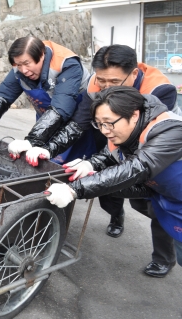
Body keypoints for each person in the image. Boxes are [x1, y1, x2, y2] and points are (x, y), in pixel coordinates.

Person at [27, 45, 178, 276]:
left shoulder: (164, 114)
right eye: (101, 80)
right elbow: (88, 130)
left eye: (114, 82)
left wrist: (74, 190)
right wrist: (50, 150)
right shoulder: (113, 118)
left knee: (160, 214)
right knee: (150, 206)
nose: (105, 87)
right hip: (153, 179)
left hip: (161, 167)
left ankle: (164, 257)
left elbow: (138, 165)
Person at [46, 86, 182, 274]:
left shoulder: (171, 131)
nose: (105, 131)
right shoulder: (124, 133)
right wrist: (90, 165)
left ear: (134, 115)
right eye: (99, 124)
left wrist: (75, 189)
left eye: (109, 123)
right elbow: (110, 158)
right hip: (166, 197)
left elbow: (137, 168)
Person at [0, 36, 93, 163]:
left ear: (42, 56)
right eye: (19, 65)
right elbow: (4, 94)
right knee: (43, 159)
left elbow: (61, 107)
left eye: (27, 64)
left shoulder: (67, 64)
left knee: (74, 164)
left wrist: (32, 140)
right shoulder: (19, 67)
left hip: (76, 122)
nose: (23, 70)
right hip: (46, 121)